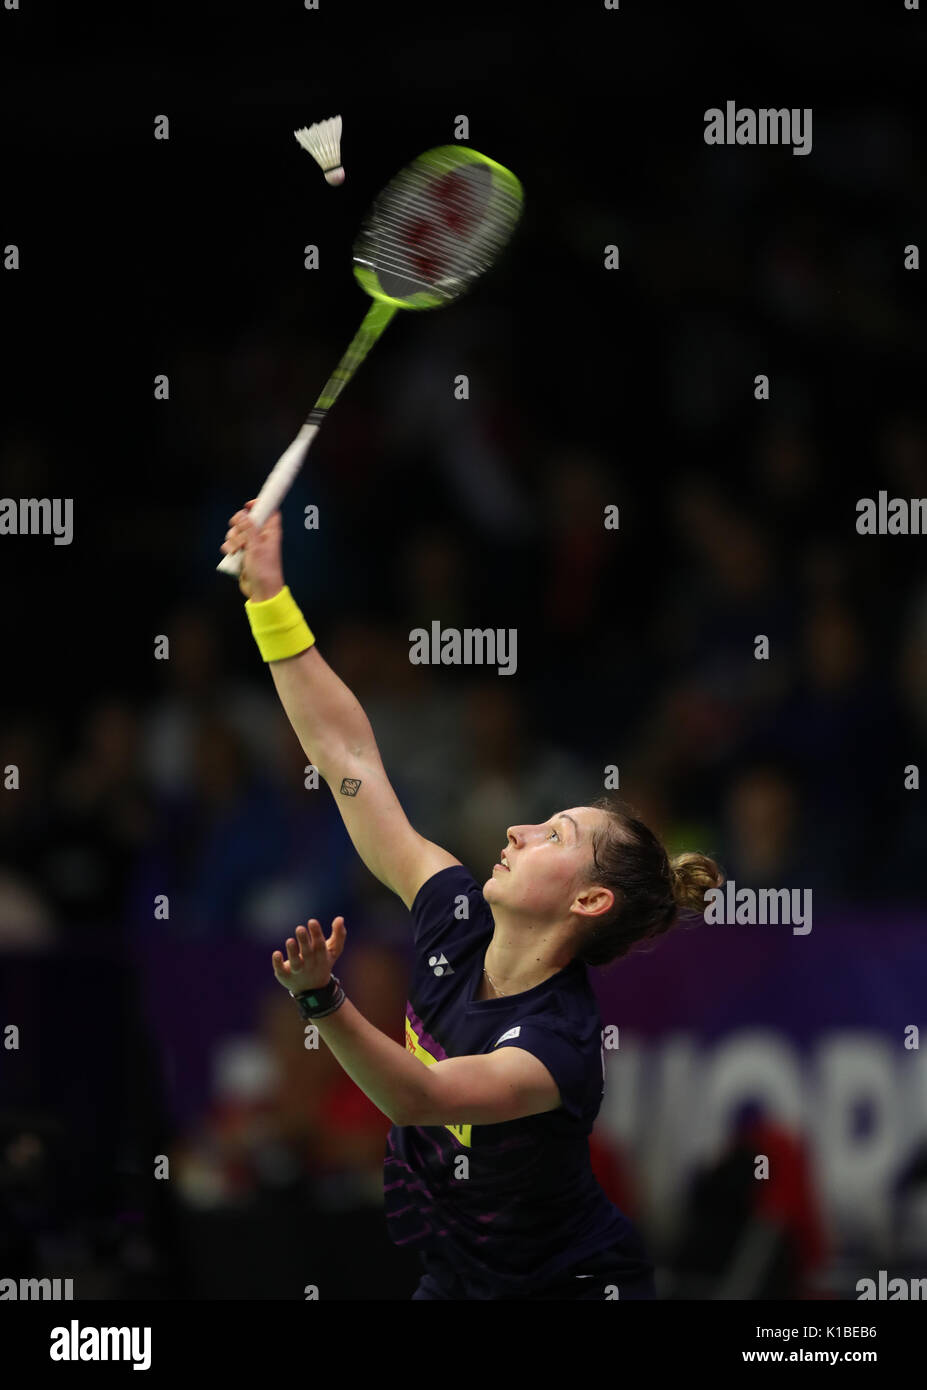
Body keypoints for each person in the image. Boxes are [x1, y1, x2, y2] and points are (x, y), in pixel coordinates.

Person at [221, 501, 724, 1300]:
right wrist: (269, 600)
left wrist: (321, 998)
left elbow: (421, 1097)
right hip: (457, 1279)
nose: (520, 830)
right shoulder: (450, 912)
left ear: (590, 901)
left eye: (555, 835)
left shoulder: (558, 1044)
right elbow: (348, 754)